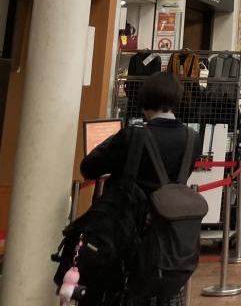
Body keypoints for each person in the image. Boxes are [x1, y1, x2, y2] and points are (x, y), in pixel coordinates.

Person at [80, 72, 198, 306]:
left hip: (127, 229)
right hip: (169, 232)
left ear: (144, 99)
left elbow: (90, 167)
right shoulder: (193, 138)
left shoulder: (133, 135)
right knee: (159, 290)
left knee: (120, 290)